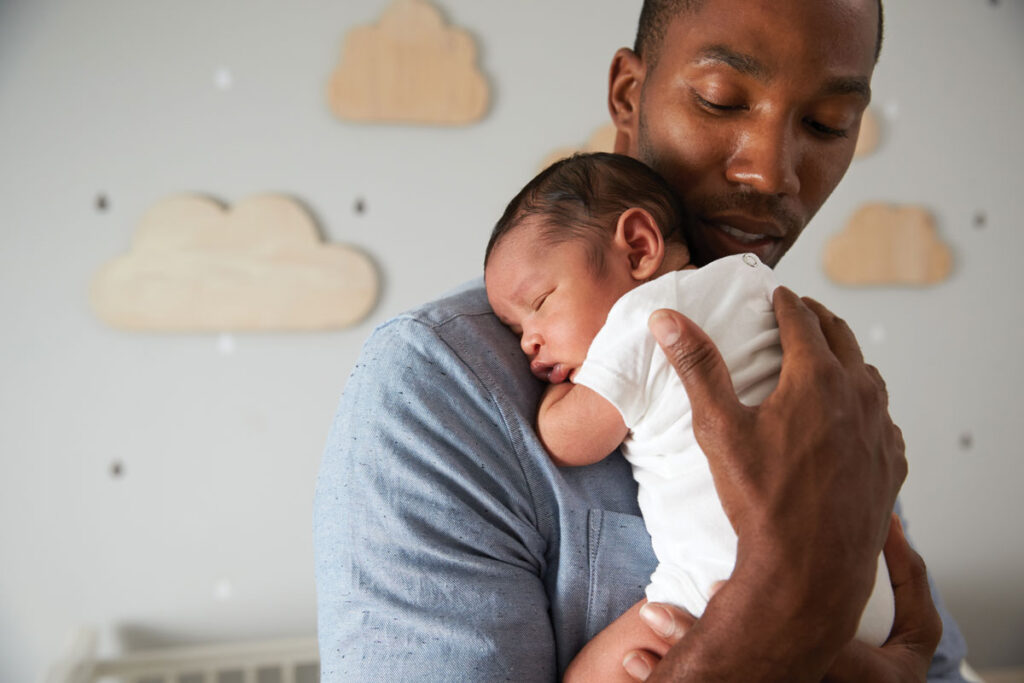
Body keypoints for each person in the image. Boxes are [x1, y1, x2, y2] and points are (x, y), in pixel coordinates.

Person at [314, 1, 969, 680]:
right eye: (721, 100)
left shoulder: (815, 369)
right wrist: (768, 616)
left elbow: (930, 656)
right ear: (630, 95)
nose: (772, 173)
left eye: (827, 123)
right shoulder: (438, 388)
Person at [483, 152, 896, 682]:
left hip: (722, 589)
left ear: (638, 247)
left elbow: (568, 440)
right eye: (515, 329)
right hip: (867, 596)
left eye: (539, 302)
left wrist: (554, 395)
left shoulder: (640, 319)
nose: (529, 341)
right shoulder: (756, 287)